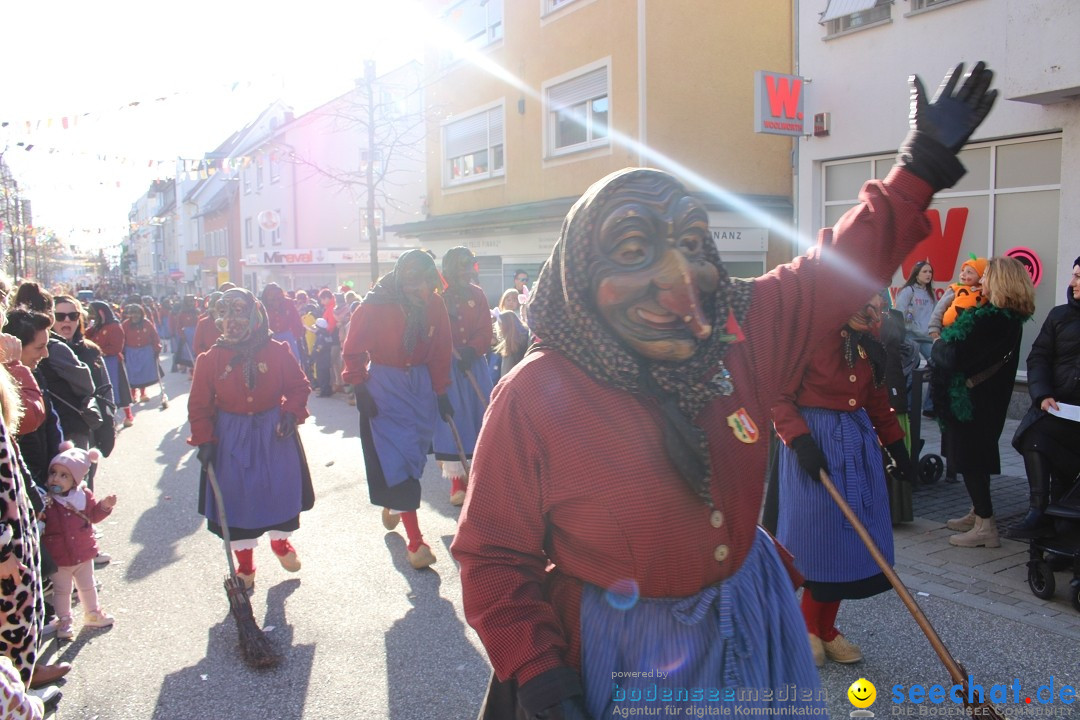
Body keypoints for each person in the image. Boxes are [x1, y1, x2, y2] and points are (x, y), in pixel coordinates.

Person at [450, 61, 997, 718]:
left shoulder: (740, 329)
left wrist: (922, 166)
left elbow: (834, 272)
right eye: (633, 249)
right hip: (626, 646)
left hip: (751, 610)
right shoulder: (536, 395)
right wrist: (538, 672)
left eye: (691, 243)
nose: (678, 278)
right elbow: (494, 555)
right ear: (579, 269)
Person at [773, 293, 911, 667]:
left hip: (855, 446)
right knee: (817, 542)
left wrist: (897, 447)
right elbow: (778, 396)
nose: (873, 312)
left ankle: (825, 628)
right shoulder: (808, 335)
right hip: (813, 445)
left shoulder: (869, 344)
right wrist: (800, 441)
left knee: (849, 542)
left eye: (876, 306)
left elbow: (878, 401)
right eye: (865, 304)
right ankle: (803, 628)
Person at [187, 288, 314, 590]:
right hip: (231, 437)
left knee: (277, 491)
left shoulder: (277, 350)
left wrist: (290, 413)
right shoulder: (210, 359)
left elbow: (299, 386)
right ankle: (245, 566)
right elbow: (199, 405)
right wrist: (204, 440)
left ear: (254, 314)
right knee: (238, 499)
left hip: (273, 434)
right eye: (226, 313)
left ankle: (281, 546)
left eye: (239, 312)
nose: (232, 320)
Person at [342, 250, 453, 569]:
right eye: (419, 287)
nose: (425, 293)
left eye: (429, 286)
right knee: (399, 453)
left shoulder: (434, 304)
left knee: (416, 452)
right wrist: (359, 385)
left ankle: (395, 504)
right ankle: (416, 543)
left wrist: (442, 390)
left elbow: (440, 349)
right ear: (405, 280)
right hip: (386, 384)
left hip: (420, 384)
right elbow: (353, 350)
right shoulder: (374, 304)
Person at [932, 256, 1035, 548]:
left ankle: (985, 525)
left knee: (971, 458)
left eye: (987, 276)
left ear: (1001, 281)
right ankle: (978, 512)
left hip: (975, 400)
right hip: (986, 397)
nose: (982, 280)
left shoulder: (992, 318)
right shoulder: (1006, 316)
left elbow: (956, 356)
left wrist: (938, 344)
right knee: (974, 455)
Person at [1007, 256, 1080, 538]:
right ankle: (1038, 508)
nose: (1072, 282)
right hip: (1060, 408)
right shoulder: (1059, 316)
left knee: (1066, 479)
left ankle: (1063, 528)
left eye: (1078, 276)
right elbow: (1038, 357)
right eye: (1073, 275)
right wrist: (1042, 394)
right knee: (1032, 435)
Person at [432, 247, 494, 506]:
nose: (466, 271)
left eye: (469, 265)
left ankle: (480, 478)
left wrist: (473, 349)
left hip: (473, 365)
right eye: (461, 265)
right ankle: (457, 482)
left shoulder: (478, 295)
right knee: (453, 420)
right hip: (448, 367)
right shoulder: (438, 297)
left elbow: (485, 327)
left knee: (482, 417)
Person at [41, 442, 116, 639]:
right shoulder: (46, 500)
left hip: (83, 552)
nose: (55, 478)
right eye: (53, 473)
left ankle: (93, 613)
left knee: (87, 585)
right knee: (62, 591)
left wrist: (104, 506)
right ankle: (64, 620)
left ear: (76, 480)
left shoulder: (83, 496)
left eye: (64, 475)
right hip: (59, 556)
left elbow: (93, 516)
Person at [86, 301, 134, 428]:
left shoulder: (114, 326)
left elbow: (116, 347)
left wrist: (98, 351)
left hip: (112, 362)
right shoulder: (97, 326)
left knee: (119, 390)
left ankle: (128, 415)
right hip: (99, 361)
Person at [928, 255, 987, 340]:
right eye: (962, 270)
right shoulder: (955, 288)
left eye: (969, 272)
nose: (963, 274)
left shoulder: (985, 292)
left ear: (981, 277)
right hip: (947, 331)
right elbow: (940, 308)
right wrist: (934, 328)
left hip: (970, 333)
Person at [895, 260, 936, 363]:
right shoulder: (908, 291)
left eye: (930, 272)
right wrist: (912, 326)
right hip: (910, 335)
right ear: (916, 275)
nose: (928, 274)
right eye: (925, 271)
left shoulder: (931, 293)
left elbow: (937, 315)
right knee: (912, 365)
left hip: (926, 337)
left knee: (936, 362)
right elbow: (899, 314)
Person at [121, 303, 162, 404]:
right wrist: (122, 351)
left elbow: (154, 336)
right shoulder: (125, 325)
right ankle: (133, 394)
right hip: (131, 352)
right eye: (133, 313)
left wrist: (156, 348)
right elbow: (121, 338)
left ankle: (143, 393)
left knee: (143, 373)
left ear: (141, 313)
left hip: (145, 351)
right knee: (132, 373)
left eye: (137, 313)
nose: (135, 316)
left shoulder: (147, 323)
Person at [262, 283, 305, 361]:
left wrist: (297, 334)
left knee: (294, 360)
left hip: (287, 335)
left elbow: (295, 318)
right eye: (271, 294)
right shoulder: (263, 305)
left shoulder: (288, 302)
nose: (274, 296)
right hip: (270, 337)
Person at [494, 310, 529, 379]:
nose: (499, 329)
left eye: (500, 325)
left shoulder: (510, 345)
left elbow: (506, 372)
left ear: (506, 326)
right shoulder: (527, 337)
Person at [192, 292, 222, 358]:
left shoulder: (230, 322)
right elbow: (197, 346)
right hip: (209, 359)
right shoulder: (203, 323)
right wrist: (207, 357)